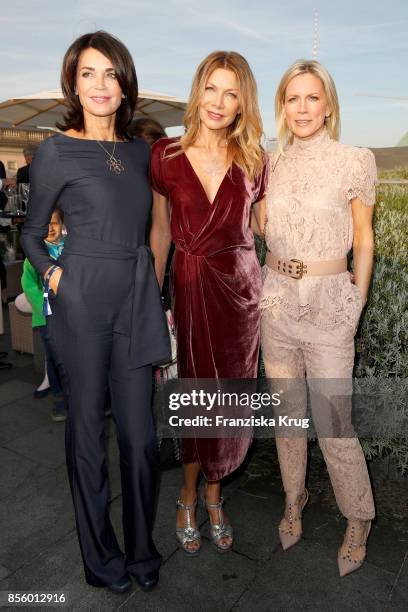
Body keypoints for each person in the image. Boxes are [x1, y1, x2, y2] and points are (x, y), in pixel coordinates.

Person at [21, 30, 170, 593]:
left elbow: (163, 224)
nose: (100, 84)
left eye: (110, 73)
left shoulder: (144, 152)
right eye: (88, 73)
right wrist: (60, 275)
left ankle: (141, 553)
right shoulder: (57, 149)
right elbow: (33, 236)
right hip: (81, 306)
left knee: (139, 439)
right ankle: (102, 562)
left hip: (134, 299)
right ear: (73, 84)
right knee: (86, 436)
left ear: (124, 82)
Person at [260, 59, 376, 577]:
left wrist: (357, 302)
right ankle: (293, 497)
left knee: (334, 423)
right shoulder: (270, 164)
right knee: (286, 416)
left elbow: (365, 238)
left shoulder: (355, 160)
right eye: (292, 98)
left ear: (328, 104)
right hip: (278, 304)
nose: (302, 108)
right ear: (281, 106)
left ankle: (358, 517)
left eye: (312, 98)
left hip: (331, 306)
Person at [150, 51, 268, 555]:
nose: (219, 102)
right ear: (198, 91)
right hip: (191, 290)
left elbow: (267, 232)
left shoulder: (255, 161)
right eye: (212, 88)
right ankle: (186, 496)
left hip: (240, 299)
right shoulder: (165, 156)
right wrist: (152, 301)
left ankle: (215, 498)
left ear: (243, 104)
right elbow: (159, 234)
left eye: (232, 92)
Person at [21, 208, 66, 421]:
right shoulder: (35, 251)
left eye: (55, 223)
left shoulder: (69, 248)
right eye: (46, 223)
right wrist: (44, 305)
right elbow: (28, 282)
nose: (50, 228)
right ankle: (59, 398)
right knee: (55, 357)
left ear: (62, 224)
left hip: (70, 313)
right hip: (47, 315)